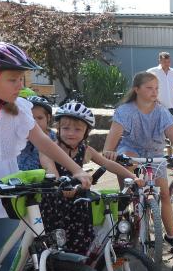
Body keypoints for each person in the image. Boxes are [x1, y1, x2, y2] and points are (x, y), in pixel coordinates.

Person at [0, 42, 92, 271]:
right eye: (12, 79)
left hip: (6, 200)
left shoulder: (18, 110)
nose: (20, 85)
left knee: (13, 267)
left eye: (21, 79)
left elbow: (44, 142)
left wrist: (76, 169)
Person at [39, 102, 141, 255]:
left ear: (86, 132)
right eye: (66, 128)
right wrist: (62, 186)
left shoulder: (85, 150)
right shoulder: (49, 150)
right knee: (56, 251)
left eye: (78, 129)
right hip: (55, 207)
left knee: (83, 247)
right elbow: (53, 175)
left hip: (79, 206)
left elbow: (108, 164)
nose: (71, 133)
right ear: (58, 129)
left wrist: (133, 177)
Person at [103, 72, 173, 243]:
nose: (154, 91)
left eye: (156, 88)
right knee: (126, 172)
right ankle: (126, 206)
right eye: (149, 87)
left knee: (164, 194)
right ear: (136, 89)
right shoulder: (125, 110)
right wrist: (108, 151)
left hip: (155, 152)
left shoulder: (162, 111)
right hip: (132, 149)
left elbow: (172, 134)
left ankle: (172, 236)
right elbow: (113, 136)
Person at [17, 95, 56, 170]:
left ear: (48, 118)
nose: (35, 122)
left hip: (45, 178)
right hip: (19, 177)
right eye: (30, 118)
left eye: (40, 118)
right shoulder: (19, 135)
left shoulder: (53, 137)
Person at [146, 51, 173, 115]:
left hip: (172, 107)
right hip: (157, 106)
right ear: (160, 61)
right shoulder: (152, 71)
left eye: (168, 62)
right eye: (164, 62)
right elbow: (144, 85)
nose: (167, 64)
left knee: (171, 125)